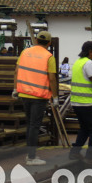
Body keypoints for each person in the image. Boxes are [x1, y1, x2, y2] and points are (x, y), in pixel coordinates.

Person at [13, 30, 59, 166]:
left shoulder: (25, 52)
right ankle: (31, 157)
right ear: (49, 43)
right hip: (39, 96)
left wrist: (15, 88)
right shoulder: (49, 57)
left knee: (30, 125)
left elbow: (17, 71)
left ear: (37, 41)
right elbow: (52, 78)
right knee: (34, 125)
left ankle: (30, 154)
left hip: (24, 94)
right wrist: (55, 97)